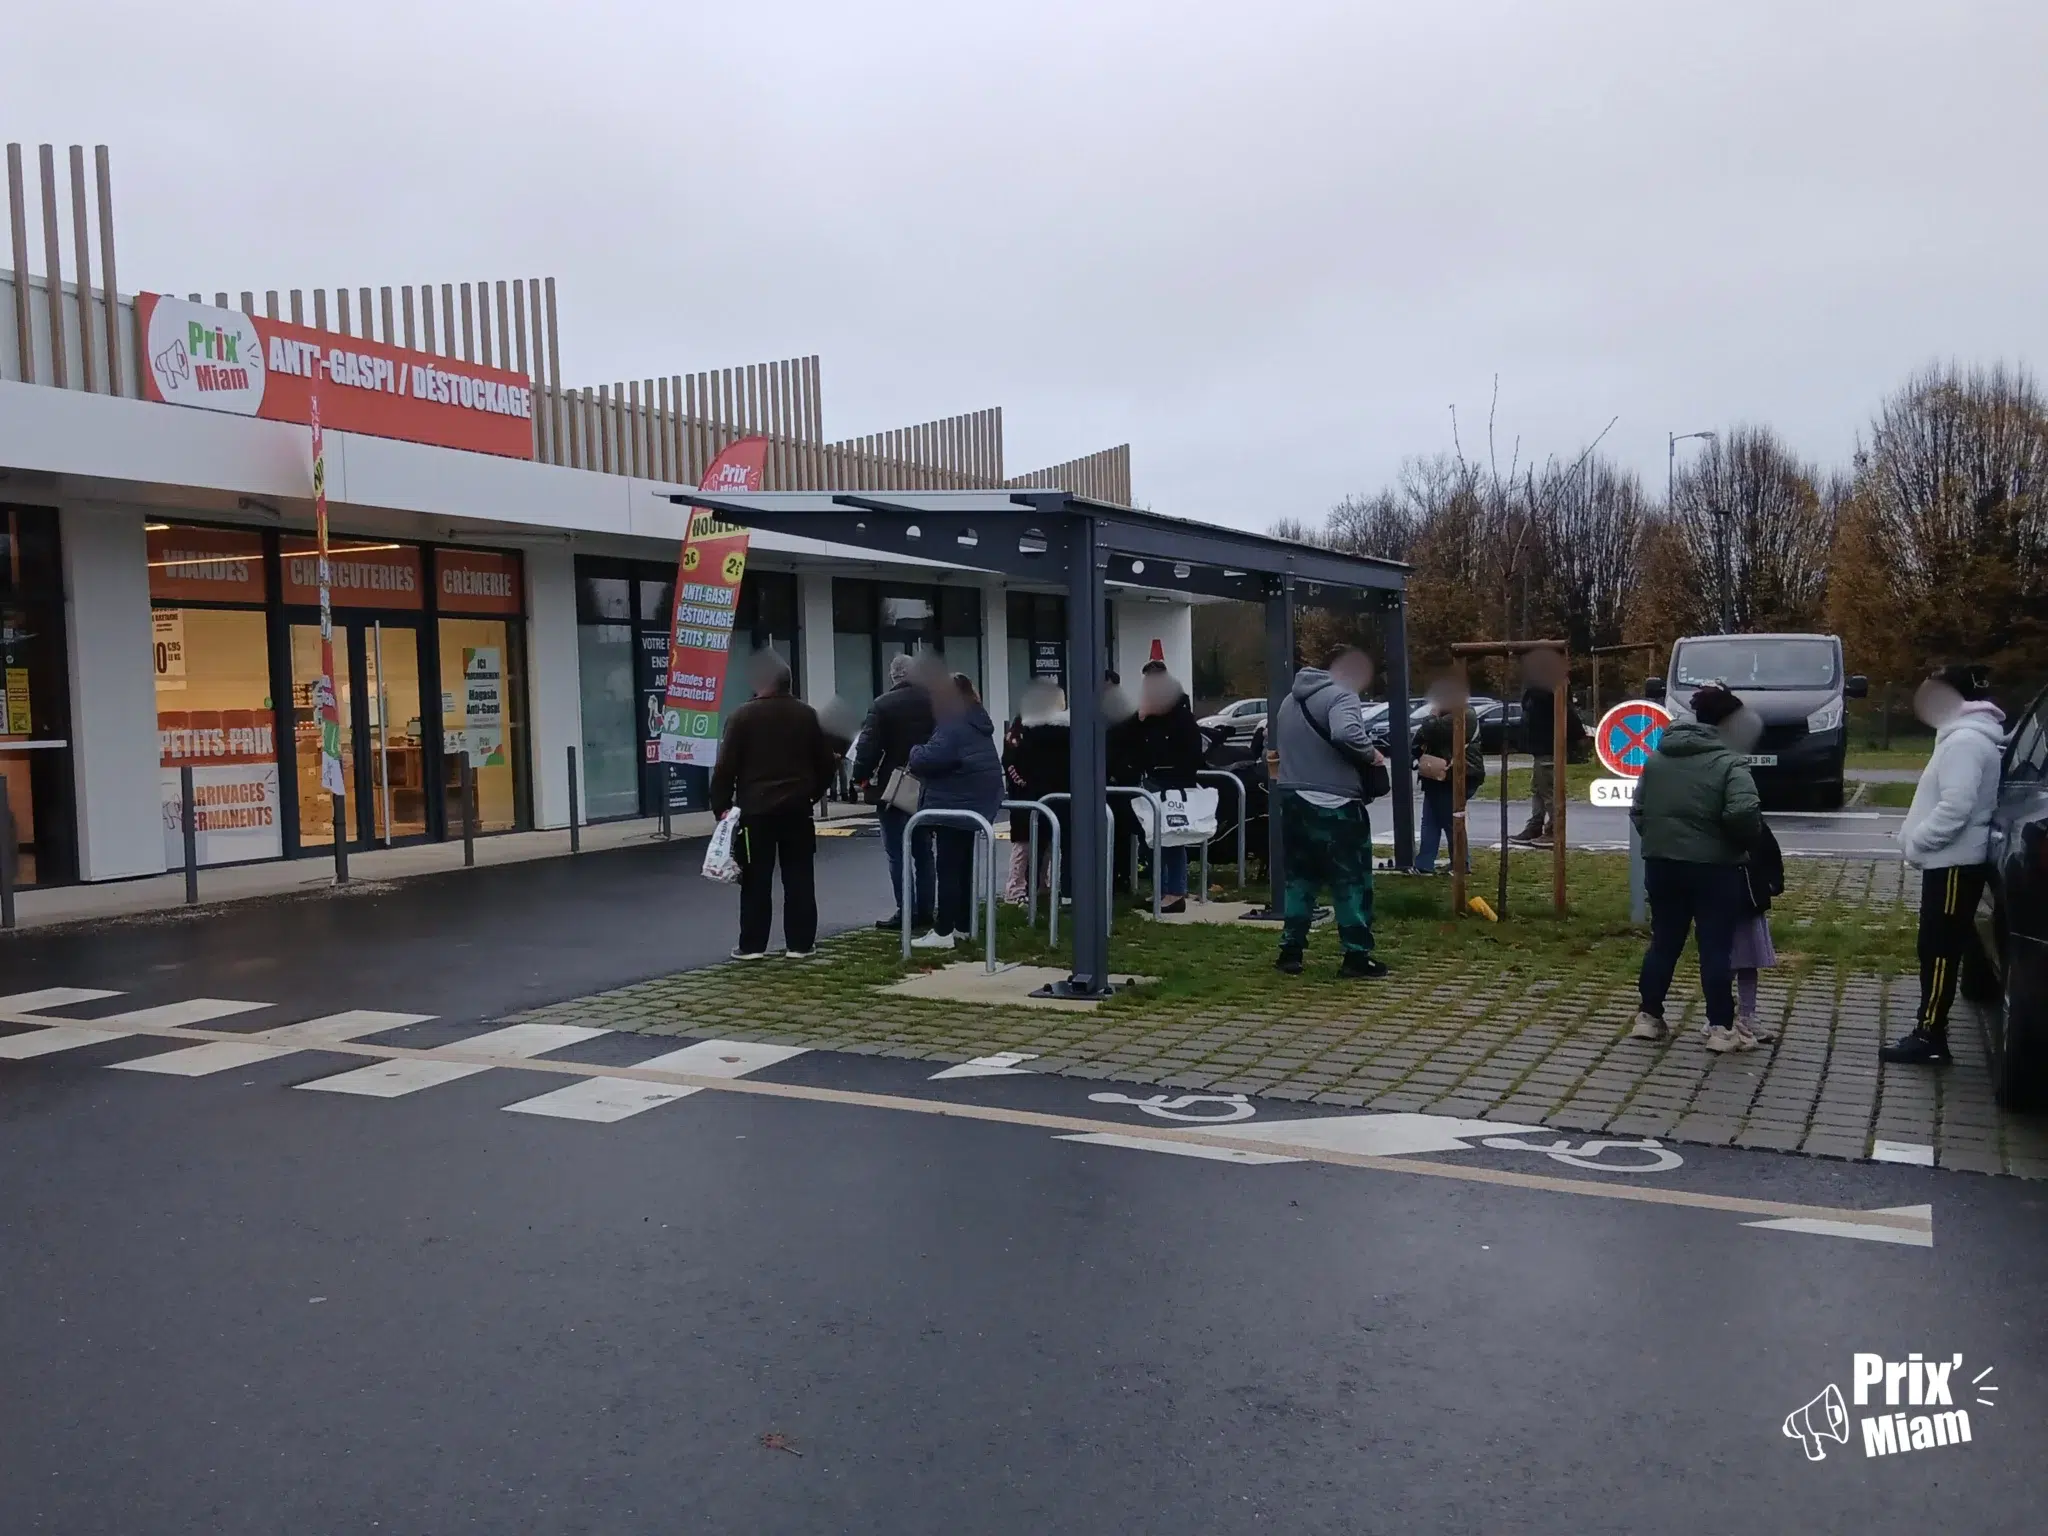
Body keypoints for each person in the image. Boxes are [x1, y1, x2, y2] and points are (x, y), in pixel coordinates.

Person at [1882, 663, 2006, 1066]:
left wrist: (1918, 842)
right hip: (1952, 862)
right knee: (1939, 946)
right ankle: (1929, 1030)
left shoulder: (1964, 742)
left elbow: (1956, 807)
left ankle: (1931, 1035)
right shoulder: (1964, 737)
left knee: (1939, 949)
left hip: (1952, 864)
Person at [1627, 684, 1763, 1051]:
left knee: (1665, 941)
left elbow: (1638, 811)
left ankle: (1649, 1016)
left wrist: (1660, 841)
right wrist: (1739, 843)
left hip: (1662, 865)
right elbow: (1744, 811)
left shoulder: (1657, 759)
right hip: (1715, 868)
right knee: (1715, 947)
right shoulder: (1729, 762)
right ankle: (1720, 1027)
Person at [709, 651, 839, 960]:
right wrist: (812, 794)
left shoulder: (742, 717)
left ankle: (752, 946)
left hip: (756, 813)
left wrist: (722, 807)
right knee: (800, 877)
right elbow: (826, 763)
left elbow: (725, 767)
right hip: (797, 810)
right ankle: (800, 944)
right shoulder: (808, 716)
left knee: (755, 879)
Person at [1270, 646, 1390, 978]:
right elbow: (1346, 733)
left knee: (1300, 879)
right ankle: (1356, 956)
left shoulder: (1289, 701)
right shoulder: (1342, 695)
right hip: (1336, 804)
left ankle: (1290, 952)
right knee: (1350, 880)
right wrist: (1372, 756)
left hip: (1294, 800)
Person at [906, 671, 1003, 949]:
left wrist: (914, 751)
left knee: (948, 868)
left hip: (955, 800)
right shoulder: (976, 718)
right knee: (962, 868)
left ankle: (944, 931)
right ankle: (962, 925)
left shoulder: (953, 723)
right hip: (974, 800)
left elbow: (932, 757)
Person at [850, 652, 936, 933]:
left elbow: (867, 748)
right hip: (929, 787)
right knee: (924, 851)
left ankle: (906, 911)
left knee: (898, 853)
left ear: (894, 677)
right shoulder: (935, 702)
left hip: (894, 788)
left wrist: (861, 778)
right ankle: (926, 910)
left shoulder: (883, 705)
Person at [1126, 661, 1207, 913]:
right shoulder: (1146, 715)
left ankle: (1175, 892)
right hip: (1151, 781)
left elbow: (1191, 750)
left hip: (1173, 783)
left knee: (1173, 838)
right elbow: (1133, 742)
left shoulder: (1180, 713)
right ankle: (1160, 890)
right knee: (1152, 839)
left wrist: (1178, 774)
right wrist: (1139, 720)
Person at [1001, 681, 1069, 903]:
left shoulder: (1054, 728)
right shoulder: (1023, 726)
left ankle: (1041, 884)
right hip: (1026, 796)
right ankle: (1015, 889)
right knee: (1023, 845)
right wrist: (1022, 783)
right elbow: (1010, 760)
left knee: (1045, 844)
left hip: (1042, 794)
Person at [1410, 676, 1484, 875]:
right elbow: (1419, 738)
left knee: (1451, 821)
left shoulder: (1464, 715)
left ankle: (1461, 864)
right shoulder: (1445, 715)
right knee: (1430, 821)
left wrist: (1433, 715)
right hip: (1436, 777)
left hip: (1456, 775)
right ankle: (1424, 864)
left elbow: (1430, 729)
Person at [1513, 650, 1584, 844]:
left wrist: (1575, 738)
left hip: (1548, 745)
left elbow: (1567, 714)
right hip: (1541, 746)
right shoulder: (1540, 687)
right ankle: (1535, 825)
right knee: (1538, 787)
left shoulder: (1548, 687)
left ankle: (1553, 830)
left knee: (1548, 789)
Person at [1731, 818, 1784, 1043]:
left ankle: (1747, 1014)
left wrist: (1773, 883)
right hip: (1723, 902)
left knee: (1748, 961)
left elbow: (1770, 852)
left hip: (1749, 902)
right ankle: (1720, 1016)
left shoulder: (1755, 825)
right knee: (1724, 964)